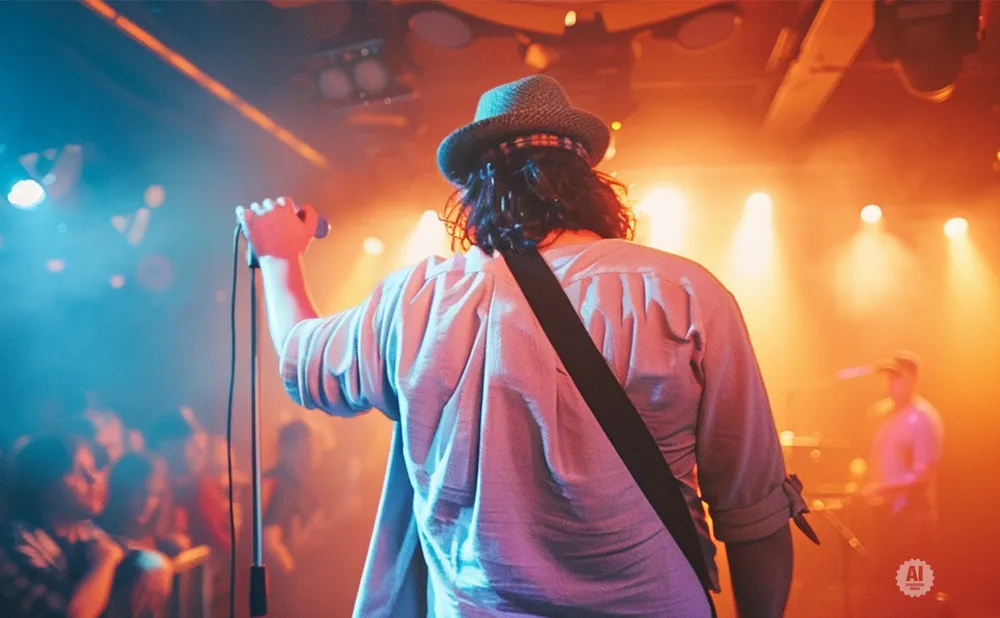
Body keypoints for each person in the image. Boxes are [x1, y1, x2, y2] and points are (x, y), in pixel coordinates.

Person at [237, 75, 805, 617]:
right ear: (587, 182)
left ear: (475, 192)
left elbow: (302, 362)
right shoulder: (682, 292)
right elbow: (754, 517)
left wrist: (281, 258)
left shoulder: (420, 300)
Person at [0, 435, 172, 618]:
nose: (94, 479)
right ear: (45, 487)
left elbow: (128, 547)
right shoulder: (13, 545)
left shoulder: (84, 532)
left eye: (92, 469)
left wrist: (156, 562)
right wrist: (105, 562)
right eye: (81, 473)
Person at [858, 351, 944, 611]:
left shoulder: (924, 418)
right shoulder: (879, 413)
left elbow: (924, 476)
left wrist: (882, 487)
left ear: (913, 380)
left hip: (912, 515)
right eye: (888, 376)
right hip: (882, 514)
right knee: (884, 585)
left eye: (898, 376)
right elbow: (867, 455)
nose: (890, 382)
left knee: (913, 588)